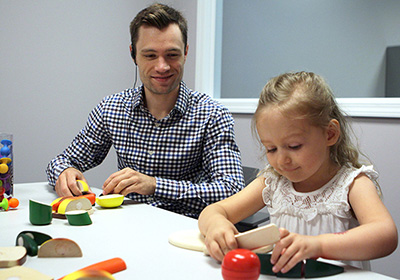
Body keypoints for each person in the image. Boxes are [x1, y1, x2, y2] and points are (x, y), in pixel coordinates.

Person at [46, 3, 244, 218]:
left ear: (186, 52)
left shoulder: (213, 115)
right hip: (127, 227)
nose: (162, 67)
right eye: (150, 55)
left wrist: (155, 185)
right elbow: (62, 161)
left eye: (172, 55)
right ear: (134, 55)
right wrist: (65, 172)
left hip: (185, 231)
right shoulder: (111, 109)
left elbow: (232, 189)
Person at [198, 71, 398, 273]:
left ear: (330, 134)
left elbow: (385, 235)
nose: (282, 160)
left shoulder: (352, 184)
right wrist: (216, 225)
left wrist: (318, 245)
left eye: (294, 146)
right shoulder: (274, 182)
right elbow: (213, 211)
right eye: (271, 149)